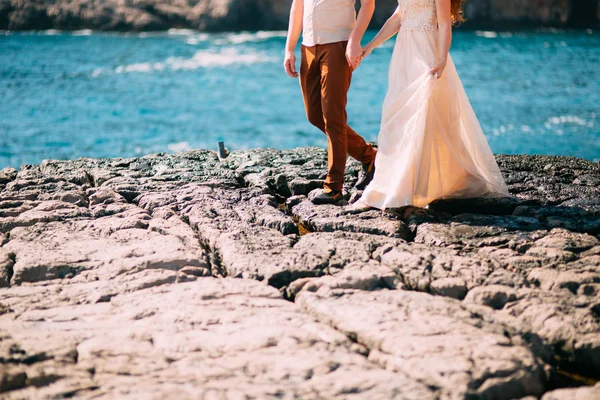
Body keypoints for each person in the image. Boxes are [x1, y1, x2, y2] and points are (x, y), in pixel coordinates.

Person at [353, 0, 509, 210]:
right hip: (404, 55)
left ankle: (411, 189)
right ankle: (394, 185)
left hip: (428, 54)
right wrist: (370, 46)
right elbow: (398, 17)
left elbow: (444, 22)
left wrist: (442, 58)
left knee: (422, 116)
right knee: (399, 117)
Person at [284, 0, 378, 205]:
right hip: (308, 47)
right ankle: (370, 157)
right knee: (315, 116)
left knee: (333, 117)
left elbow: (368, 4)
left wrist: (354, 41)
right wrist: (289, 48)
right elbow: (297, 5)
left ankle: (334, 187)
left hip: (338, 45)